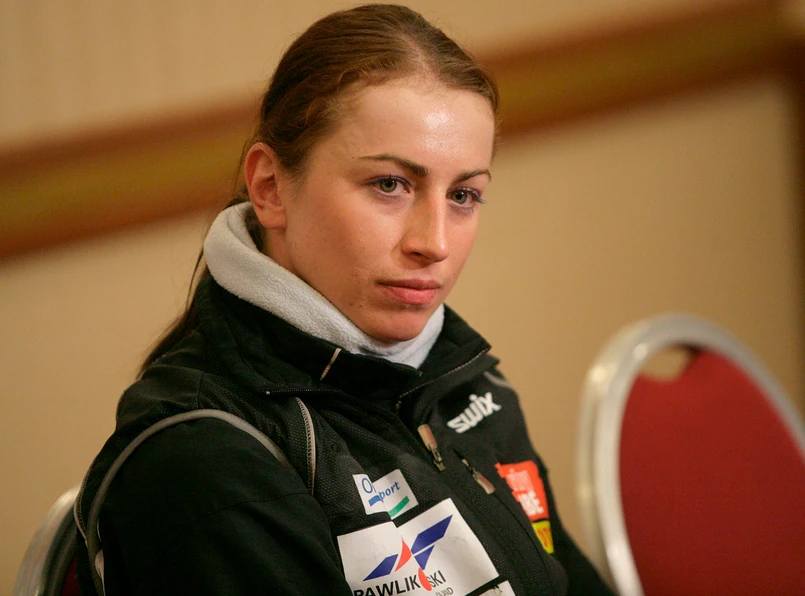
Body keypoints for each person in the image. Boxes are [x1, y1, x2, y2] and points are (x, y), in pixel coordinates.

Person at [74, 4, 613, 595]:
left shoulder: (466, 381)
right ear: (270, 188)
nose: (434, 244)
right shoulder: (204, 459)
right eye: (390, 185)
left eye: (463, 195)